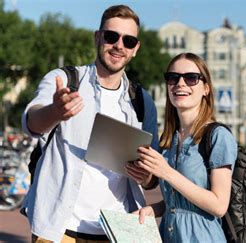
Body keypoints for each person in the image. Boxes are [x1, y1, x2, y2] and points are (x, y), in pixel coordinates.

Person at [21, 5, 159, 242]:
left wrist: (146, 176)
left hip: (115, 231)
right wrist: (55, 111)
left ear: (135, 49)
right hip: (58, 227)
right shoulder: (66, 80)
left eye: (128, 41)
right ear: (98, 37)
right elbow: (31, 123)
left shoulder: (142, 100)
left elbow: (152, 177)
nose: (119, 45)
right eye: (111, 36)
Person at [128, 53, 238, 242]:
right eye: (173, 77)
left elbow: (219, 205)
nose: (180, 83)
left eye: (191, 78)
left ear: (206, 89)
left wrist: (167, 172)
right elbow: (178, 201)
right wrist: (152, 210)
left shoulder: (218, 136)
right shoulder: (169, 139)